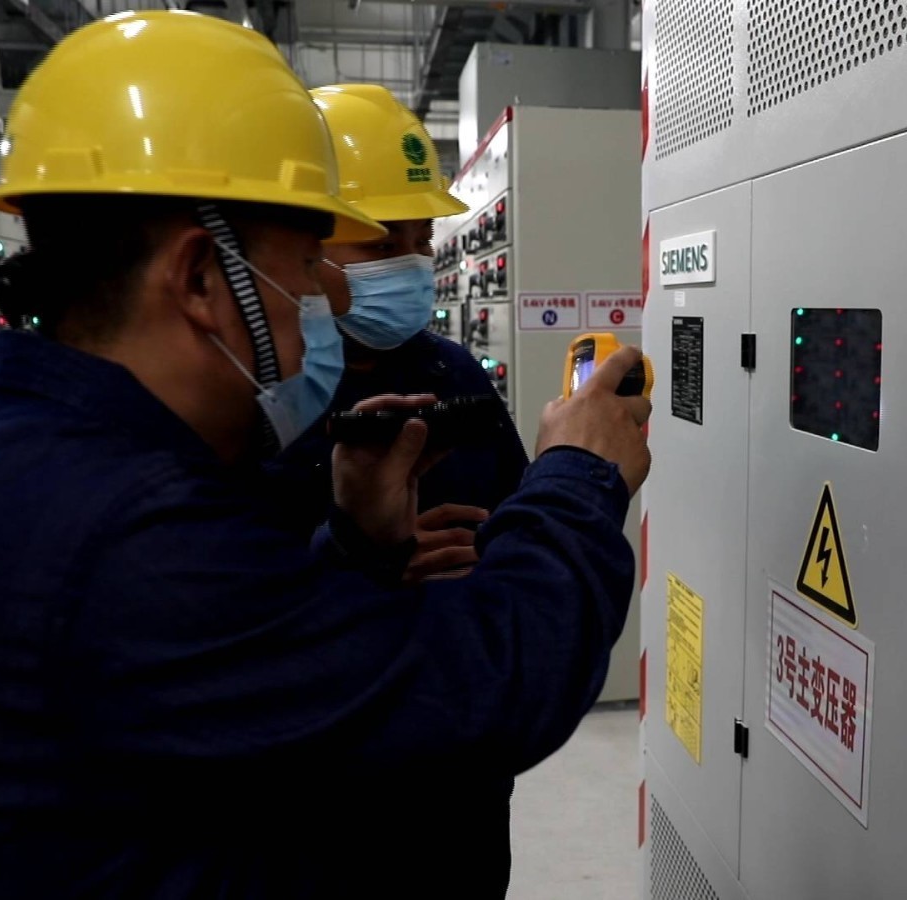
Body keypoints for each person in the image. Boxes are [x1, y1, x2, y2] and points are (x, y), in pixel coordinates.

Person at [0, 11, 650, 900]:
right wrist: (580, 473)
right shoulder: (130, 532)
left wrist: (356, 543)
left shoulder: (2, 449)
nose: (323, 300)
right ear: (202, 277)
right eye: (308, 262)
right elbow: (485, 689)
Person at [305, 83, 532, 893]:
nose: (410, 262)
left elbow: (514, 507)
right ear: (304, 246)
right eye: (380, 242)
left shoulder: (450, 369)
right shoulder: (274, 391)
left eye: (421, 239)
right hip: (333, 777)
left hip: (462, 764)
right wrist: (362, 559)